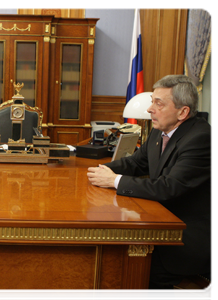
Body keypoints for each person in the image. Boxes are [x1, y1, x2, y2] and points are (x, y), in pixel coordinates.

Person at [87, 75, 214, 300]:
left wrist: (114, 181)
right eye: (152, 101)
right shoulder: (160, 130)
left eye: (158, 103)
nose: (149, 109)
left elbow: (168, 187)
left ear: (183, 112)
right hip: (163, 220)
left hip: (189, 233)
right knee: (122, 253)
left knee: (142, 266)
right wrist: (97, 170)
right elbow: (136, 163)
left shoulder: (201, 138)